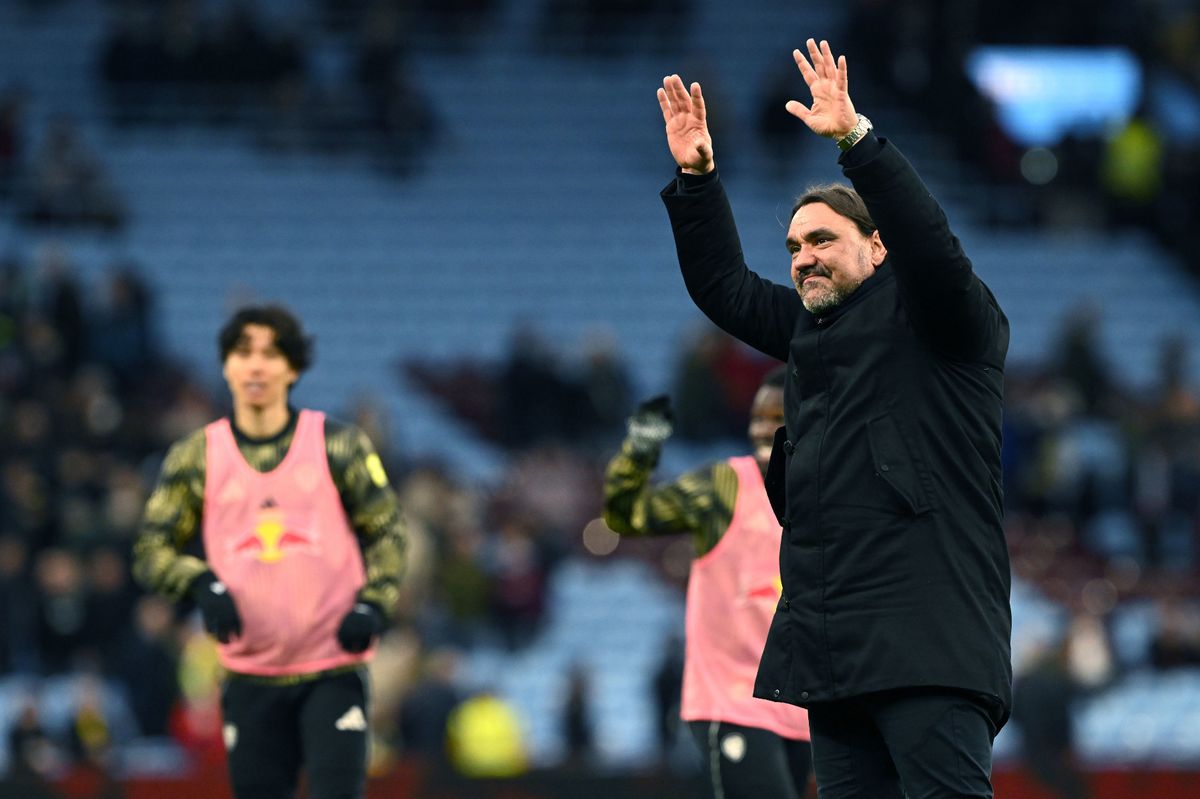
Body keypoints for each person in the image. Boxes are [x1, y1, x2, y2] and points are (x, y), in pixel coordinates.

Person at [655, 39, 1012, 798]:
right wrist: (697, 181)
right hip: (834, 654)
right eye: (792, 246)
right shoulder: (806, 335)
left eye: (823, 240)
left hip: (928, 643)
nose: (802, 258)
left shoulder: (943, 323)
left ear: (878, 246)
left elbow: (935, 248)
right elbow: (723, 286)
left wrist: (858, 142)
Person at [132, 305, 407, 799]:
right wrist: (201, 583)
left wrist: (373, 603)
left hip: (331, 667)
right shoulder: (196, 457)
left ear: (294, 368)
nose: (256, 366)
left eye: (271, 353)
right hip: (249, 674)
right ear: (227, 366)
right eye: (243, 353)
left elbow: (388, 532)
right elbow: (152, 548)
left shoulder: (339, 447)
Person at [604, 368, 812, 799]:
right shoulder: (724, 486)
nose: (760, 427)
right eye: (756, 415)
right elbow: (627, 515)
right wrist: (639, 451)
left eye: (776, 415)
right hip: (733, 700)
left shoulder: (825, 496)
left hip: (804, 709)